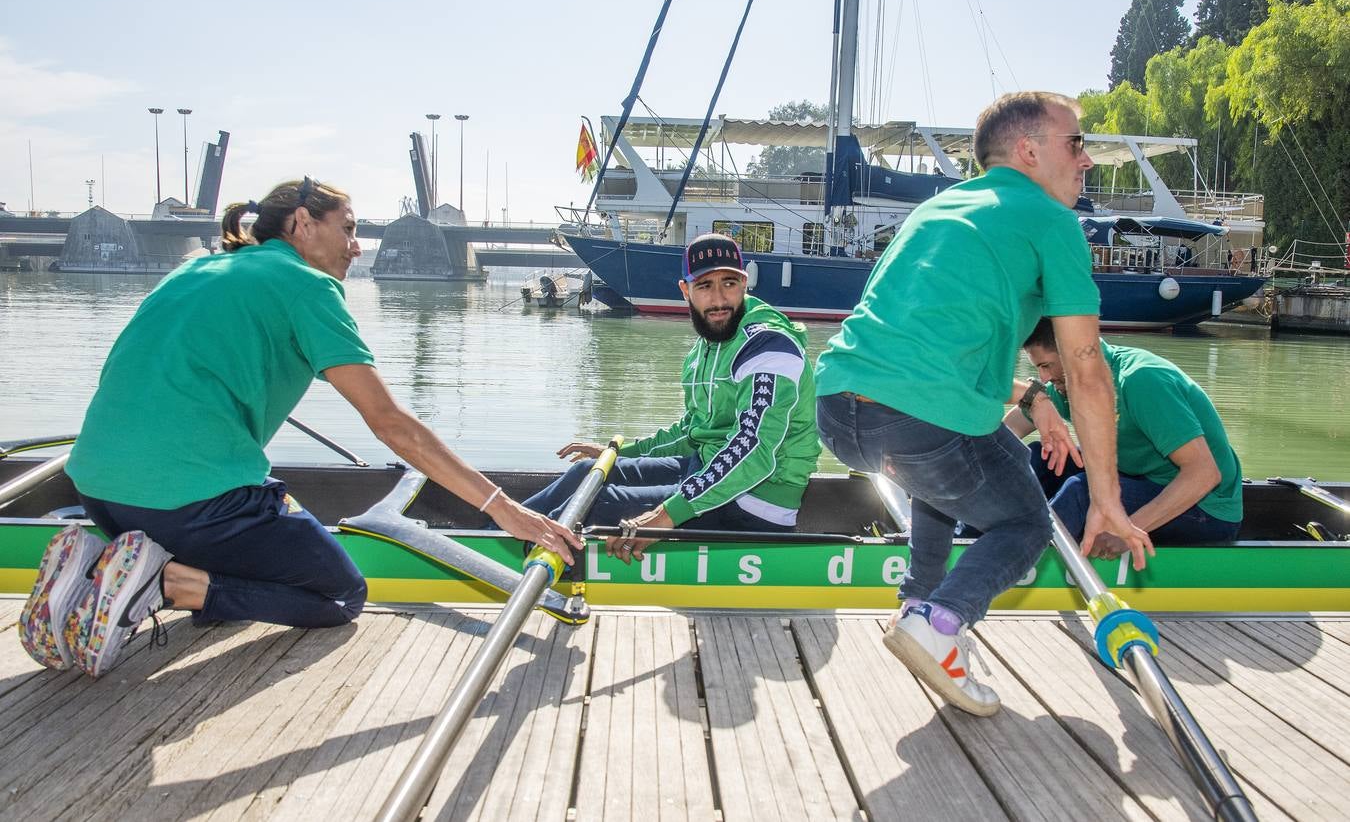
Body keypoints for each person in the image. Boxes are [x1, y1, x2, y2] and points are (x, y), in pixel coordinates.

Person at [19, 177, 582, 679]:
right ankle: (159, 583)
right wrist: (505, 510)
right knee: (337, 595)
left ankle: (99, 557)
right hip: (187, 501)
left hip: (96, 487)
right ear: (303, 223)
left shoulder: (197, 267)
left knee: (239, 553)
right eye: (349, 229)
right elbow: (389, 424)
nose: (357, 246)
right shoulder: (308, 287)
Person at [814, 91, 1153, 717]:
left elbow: (921, 346)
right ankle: (941, 623)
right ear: (1029, 151)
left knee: (955, 470)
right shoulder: (1053, 221)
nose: (1086, 162)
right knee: (1026, 521)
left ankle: (917, 602)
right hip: (916, 421)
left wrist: (1030, 398)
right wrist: (1107, 501)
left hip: (838, 408)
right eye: (1075, 144)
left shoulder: (938, 210)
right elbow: (1085, 368)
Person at [523, 232, 820, 563]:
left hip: (756, 502)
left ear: (745, 284)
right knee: (586, 473)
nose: (720, 299)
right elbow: (693, 430)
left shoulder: (768, 345)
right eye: (705, 286)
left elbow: (753, 450)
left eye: (730, 283)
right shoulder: (707, 346)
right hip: (706, 470)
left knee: (587, 507)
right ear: (686, 291)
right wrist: (622, 454)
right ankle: (495, 528)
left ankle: (492, 552)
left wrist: (665, 516)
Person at [1005, 318, 1242, 553]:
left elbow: (1205, 473)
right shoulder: (1065, 385)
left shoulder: (1141, 381)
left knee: (1080, 492)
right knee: (1037, 457)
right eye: (1038, 368)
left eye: (1046, 366)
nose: (1044, 378)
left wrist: (1127, 529)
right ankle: (979, 542)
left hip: (1207, 509)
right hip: (1143, 480)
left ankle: (1021, 561)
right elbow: (1006, 435)